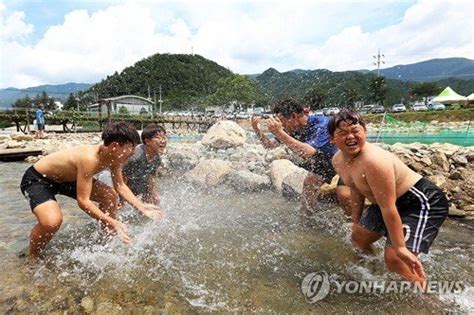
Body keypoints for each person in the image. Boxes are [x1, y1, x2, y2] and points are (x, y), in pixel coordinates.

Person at [328, 109, 448, 283]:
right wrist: (356, 219)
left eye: (355, 131)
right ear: (332, 138)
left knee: (396, 259)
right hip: (387, 201)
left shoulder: (374, 161)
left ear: (365, 132)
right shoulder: (338, 160)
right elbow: (355, 188)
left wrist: (399, 247)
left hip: (419, 201)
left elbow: (388, 207)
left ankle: (427, 303)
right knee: (359, 238)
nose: (350, 137)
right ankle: (369, 274)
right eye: (342, 133)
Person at [20, 122, 162, 260]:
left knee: (109, 195)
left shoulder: (115, 158)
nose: (132, 153)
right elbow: (83, 201)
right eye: (130, 148)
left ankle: (107, 242)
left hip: (68, 179)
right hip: (39, 179)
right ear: (114, 146)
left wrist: (141, 206)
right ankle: (33, 257)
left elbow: (120, 186)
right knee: (51, 222)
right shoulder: (89, 158)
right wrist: (113, 220)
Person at [251, 97, 352, 216]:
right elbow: (269, 146)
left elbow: (309, 151)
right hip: (325, 163)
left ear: (294, 116)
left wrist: (279, 133)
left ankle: (353, 223)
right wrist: (257, 130)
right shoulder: (291, 128)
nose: (282, 125)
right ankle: (306, 220)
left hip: (344, 162)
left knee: (344, 195)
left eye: (282, 120)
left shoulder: (322, 124)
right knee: (309, 186)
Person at [122, 124, 167, 206]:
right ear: (147, 141)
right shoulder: (135, 157)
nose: (163, 141)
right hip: (119, 181)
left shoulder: (157, 158)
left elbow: (151, 175)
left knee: (153, 200)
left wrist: (153, 192)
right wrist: (122, 199)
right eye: (158, 138)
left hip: (137, 182)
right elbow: (122, 178)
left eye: (164, 137)